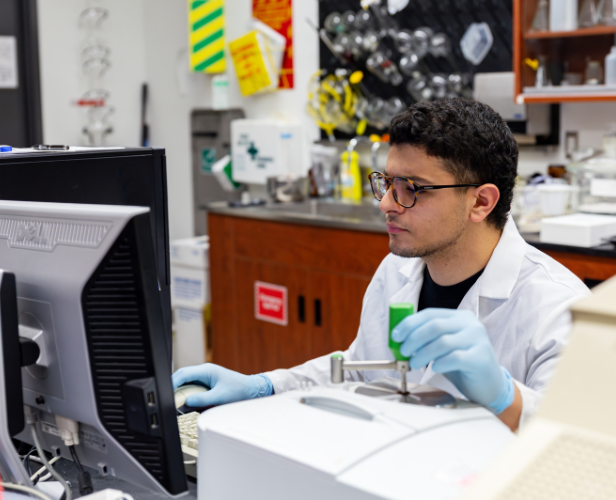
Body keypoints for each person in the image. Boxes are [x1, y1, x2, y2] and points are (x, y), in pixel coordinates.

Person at [173, 98, 589, 431]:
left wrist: (504, 397)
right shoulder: (398, 270)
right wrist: (263, 386)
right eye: (387, 183)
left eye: (412, 189)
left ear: (480, 202)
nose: (387, 204)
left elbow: (580, 451)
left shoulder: (560, 309)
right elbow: (361, 371)